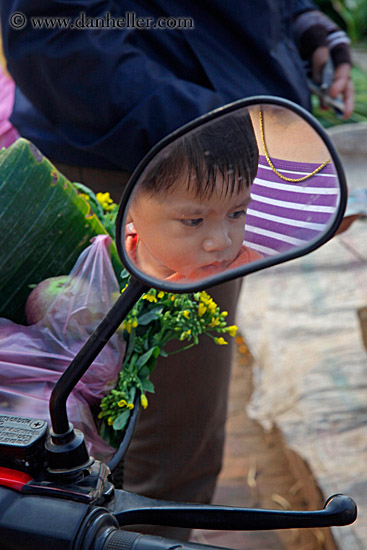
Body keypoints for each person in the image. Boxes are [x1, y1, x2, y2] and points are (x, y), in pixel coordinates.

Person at [0, 1, 354, 541]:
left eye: (239, 217)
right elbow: (58, 36)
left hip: (207, 155)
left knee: (177, 440)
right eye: (217, 221)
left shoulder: (214, 221)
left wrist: (305, 25)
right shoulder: (187, 214)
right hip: (140, 156)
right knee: (147, 463)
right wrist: (226, 136)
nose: (227, 241)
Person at [125, 110, 263, 282]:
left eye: (236, 213)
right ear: (129, 207)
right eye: (193, 221)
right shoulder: (106, 254)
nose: (222, 242)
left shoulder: (244, 273)